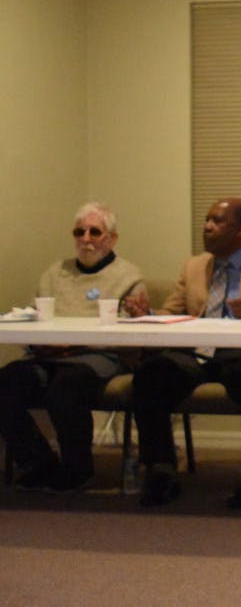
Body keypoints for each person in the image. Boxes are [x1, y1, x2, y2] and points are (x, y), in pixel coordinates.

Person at [126, 198, 241, 508]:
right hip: (197, 353)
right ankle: (162, 470)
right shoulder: (194, 266)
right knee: (151, 375)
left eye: (217, 221)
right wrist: (147, 314)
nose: (207, 226)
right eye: (207, 219)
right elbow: (173, 312)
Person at [0, 202, 146, 491]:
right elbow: (34, 315)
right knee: (5, 383)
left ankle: (78, 469)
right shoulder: (55, 273)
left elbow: (128, 331)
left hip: (98, 355)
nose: (86, 239)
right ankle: (37, 461)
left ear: (111, 239)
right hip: (46, 354)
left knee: (64, 389)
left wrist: (73, 343)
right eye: (79, 232)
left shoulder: (129, 276)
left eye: (95, 232)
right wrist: (40, 341)